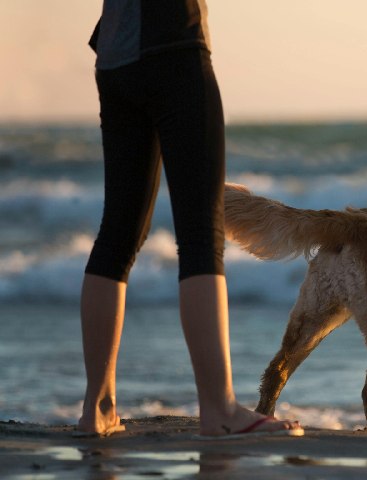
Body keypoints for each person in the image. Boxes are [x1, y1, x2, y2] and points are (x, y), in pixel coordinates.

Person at [76, 0, 303, 438]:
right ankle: (218, 409)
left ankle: (97, 409)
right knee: (200, 235)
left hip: (115, 58)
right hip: (174, 44)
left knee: (117, 235)